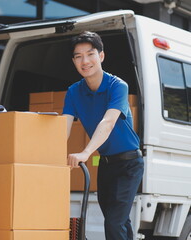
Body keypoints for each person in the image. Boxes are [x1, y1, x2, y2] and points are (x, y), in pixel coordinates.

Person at [62, 31, 144, 240]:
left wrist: (86, 152)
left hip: (129, 164)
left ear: (101, 56)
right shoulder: (73, 92)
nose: (85, 61)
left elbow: (107, 123)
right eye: (78, 56)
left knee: (114, 223)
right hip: (106, 165)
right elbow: (64, 127)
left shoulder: (118, 86)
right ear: (73, 61)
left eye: (90, 54)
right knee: (119, 221)